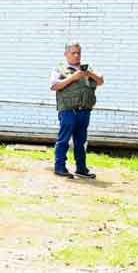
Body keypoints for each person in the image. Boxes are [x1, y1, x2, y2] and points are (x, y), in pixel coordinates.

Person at [50, 42, 104, 179]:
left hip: (84, 111)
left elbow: (100, 81)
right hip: (68, 110)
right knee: (64, 140)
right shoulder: (59, 69)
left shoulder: (87, 69)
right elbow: (55, 86)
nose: (76, 55)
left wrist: (88, 73)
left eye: (78, 53)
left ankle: (81, 169)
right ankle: (60, 167)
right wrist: (73, 77)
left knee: (81, 141)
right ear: (66, 54)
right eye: (73, 53)